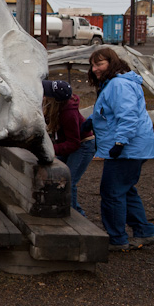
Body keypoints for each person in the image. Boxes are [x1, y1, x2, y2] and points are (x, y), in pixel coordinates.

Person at [87, 47, 154, 251]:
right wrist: (91, 122)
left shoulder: (118, 84)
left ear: (111, 63)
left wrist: (120, 143)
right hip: (135, 146)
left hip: (129, 147)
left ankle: (117, 239)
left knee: (111, 192)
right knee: (125, 189)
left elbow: (127, 116)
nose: (94, 69)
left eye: (99, 64)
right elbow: (109, 111)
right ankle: (144, 230)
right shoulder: (115, 82)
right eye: (92, 65)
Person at [42, 79, 95, 216]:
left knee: (69, 181)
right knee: (58, 177)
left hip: (84, 145)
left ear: (54, 99)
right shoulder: (54, 109)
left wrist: (52, 149)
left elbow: (74, 143)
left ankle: (74, 215)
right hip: (70, 143)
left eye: (46, 93)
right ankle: (73, 210)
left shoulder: (68, 114)